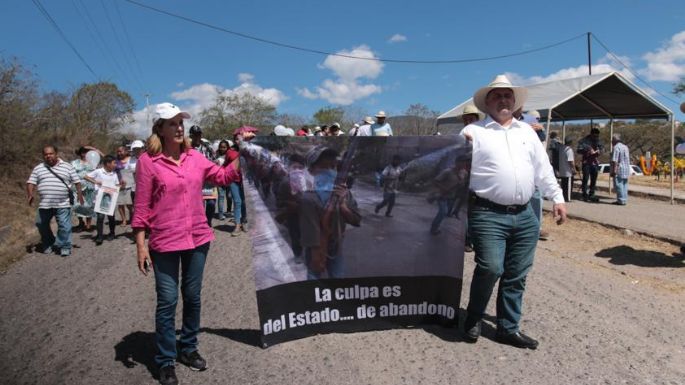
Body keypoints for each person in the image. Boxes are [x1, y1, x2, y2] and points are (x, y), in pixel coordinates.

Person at [132, 102, 241, 384]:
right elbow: (141, 206)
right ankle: (166, 359)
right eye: (172, 123)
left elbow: (223, 176)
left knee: (192, 297)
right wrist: (141, 245)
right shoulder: (148, 161)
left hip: (197, 239)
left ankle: (188, 348)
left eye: (181, 122)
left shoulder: (195, 158)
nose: (179, 127)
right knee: (167, 301)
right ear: (160, 129)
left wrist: (242, 154)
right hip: (165, 242)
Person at [460, 75, 567, 349]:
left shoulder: (527, 133)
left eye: (508, 96)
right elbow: (452, 171)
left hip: (525, 215)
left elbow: (543, 169)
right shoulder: (473, 133)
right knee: (491, 267)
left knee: (517, 274)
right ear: (487, 102)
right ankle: (473, 318)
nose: (503, 100)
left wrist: (557, 197)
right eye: (497, 96)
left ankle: (508, 328)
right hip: (487, 214)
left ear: (514, 101)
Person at [299, 146, 361, 279]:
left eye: (332, 167)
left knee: (338, 278)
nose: (329, 171)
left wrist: (343, 204)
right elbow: (307, 232)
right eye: (323, 167)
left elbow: (356, 220)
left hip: (336, 245)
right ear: (311, 170)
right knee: (313, 278)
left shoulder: (343, 192)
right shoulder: (306, 195)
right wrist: (317, 253)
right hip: (314, 248)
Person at [27, 145, 84, 257]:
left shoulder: (67, 167)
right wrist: (30, 194)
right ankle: (49, 242)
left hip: (63, 203)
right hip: (45, 203)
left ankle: (65, 246)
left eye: (51, 153)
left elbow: (77, 182)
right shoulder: (39, 168)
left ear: (56, 154)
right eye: (46, 154)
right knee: (40, 223)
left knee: (64, 226)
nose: (48, 156)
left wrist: (80, 196)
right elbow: (31, 182)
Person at [84, 155, 120, 245]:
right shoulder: (98, 171)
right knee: (100, 217)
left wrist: (121, 186)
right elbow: (86, 176)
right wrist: (96, 182)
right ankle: (100, 236)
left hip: (110, 198)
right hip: (100, 198)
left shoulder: (114, 174)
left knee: (111, 217)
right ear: (108, 164)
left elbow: (117, 185)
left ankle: (112, 233)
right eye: (114, 163)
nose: (115, 165)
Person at [429, 157, 469, 235]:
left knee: (446, 212)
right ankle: (434, 228)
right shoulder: (447, 172)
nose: (463, 164)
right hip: (442, 195)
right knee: (443, 212)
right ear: (456, 162)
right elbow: (435, 181)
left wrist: (461, 184)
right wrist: (443, 188)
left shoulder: (464, 173)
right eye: (461, 162)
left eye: (464, 163)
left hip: (452, 196)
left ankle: (435, 227)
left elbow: (462, 184)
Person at [189, 125, 218, 226]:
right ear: (191, 136)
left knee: (211, 204)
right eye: (194, 135)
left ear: (201, 135)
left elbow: (215, 160)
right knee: (199, 206)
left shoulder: (207, 147)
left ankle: (208, 222)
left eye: (198, 134)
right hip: (195, 182)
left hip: (209, 181)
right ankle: (202, 225)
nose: (197, 137)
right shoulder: (186, 149)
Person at [71, 146, 102, 232]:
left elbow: (106, 160)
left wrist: (96, 149)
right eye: (83, 152)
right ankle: (81, 222)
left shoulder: (93, 161)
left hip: (90, 186)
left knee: (89, 205)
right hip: (78, 187)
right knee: (78, 205)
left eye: (87, 152)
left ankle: (88, 224)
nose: (85, 154)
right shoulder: (74, 163)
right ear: (80, 153)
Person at [577, 127, 604, 201]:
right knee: (585, 179)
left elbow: (602, 149)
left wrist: (599, 151)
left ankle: (592, 194)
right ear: (591, 134)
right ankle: (584, 194)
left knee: (594, 179)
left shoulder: (598, 141)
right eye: (595, 136)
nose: (596, 137)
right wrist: (588, 149)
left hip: (595, 163)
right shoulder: (583, 141)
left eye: (597, 136)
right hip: (586, 163)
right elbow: (578, 150)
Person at [115, 146, 135, 226]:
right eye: (118, 151)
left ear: (126, 151)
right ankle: (124, 220)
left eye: (121, 151)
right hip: (119, 185)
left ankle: (132, 218)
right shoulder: (116, 161)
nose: (119, 153)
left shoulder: (132, 160)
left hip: (131, 185)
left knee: (130, 204)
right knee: (120, 204)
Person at [610, 134, 631, 205]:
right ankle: (624, 199)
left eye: (612, 140)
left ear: (615, 140)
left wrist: (614, 170)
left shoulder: (616, 147)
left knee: (619, 184)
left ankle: (621, 200)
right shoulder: (625, 147)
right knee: (625, 184)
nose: (611, 141)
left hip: (620, 168)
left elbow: (615, 160)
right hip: (626, 168)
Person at [215, 140, 233, 221]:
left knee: (229, 196)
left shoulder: (230, 155)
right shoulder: (215, 155)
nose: (222, 149)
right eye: (221, 147)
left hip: (229, 178)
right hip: (220, 179)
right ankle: (221, 214)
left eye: (224, 147)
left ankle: (229, 210)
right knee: (221, 197)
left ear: (227, 147)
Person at [558, 138, 576, 202]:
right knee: (568, 186)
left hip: (562, 170)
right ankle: (567, 198)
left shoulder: (561, 148)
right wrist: (574, 169)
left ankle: (563, 197)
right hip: (568, 171)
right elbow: (571, 161)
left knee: (563, 185)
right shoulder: (569, 150)